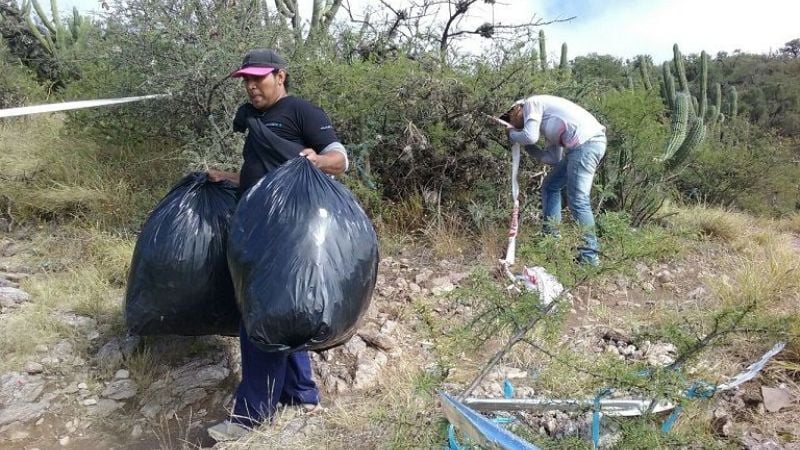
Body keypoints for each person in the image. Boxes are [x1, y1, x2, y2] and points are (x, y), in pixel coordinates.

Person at [206, 48, 348, 441]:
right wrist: (230, 178)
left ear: (280, 76)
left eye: (259, 78)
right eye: (246, 80)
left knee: (261, 318)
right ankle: (301, 396)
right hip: (256, 225)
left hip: (289, 231)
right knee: (285, 312)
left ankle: (250, 416)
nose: (252, 86)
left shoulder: (302, 111)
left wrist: (316, 160)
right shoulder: (255, 119)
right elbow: (261, 174)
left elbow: (340, 159)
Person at [497, 95, 606, 265]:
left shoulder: (531, 103)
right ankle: (551, 239)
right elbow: (552, 158)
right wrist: (526, 146)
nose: (510, 125)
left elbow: (530, 137)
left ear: (517, 109)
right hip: (581, 147)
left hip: (587, 144)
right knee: (550, 186)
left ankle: (589, 258)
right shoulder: (547, 127)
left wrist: (513, 136)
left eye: (509, 119)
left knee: (578, 199)